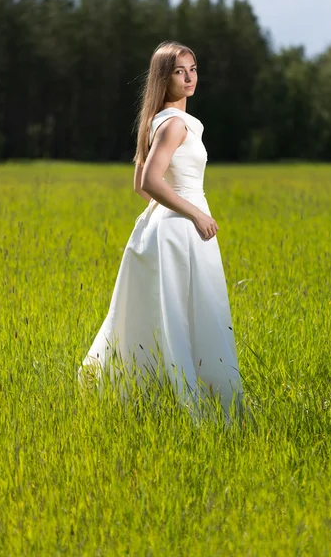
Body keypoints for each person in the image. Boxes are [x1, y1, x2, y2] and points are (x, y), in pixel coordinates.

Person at [78, 40, 243, 420]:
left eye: (193, 69)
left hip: (161, 226)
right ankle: (205, 404)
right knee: (197, 314)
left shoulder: (158, 120)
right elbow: (151, 182)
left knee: (166, 314)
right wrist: (195, 214)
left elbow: (140, 185)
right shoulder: (174, 124)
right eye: (179, 71)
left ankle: (154, 396)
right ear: (163, 78)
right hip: (182, 226)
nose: (189, 78)